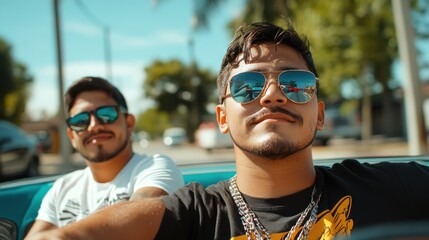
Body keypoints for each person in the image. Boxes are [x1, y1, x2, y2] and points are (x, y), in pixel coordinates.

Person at [26, 22, 429, 240]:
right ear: (222, 117)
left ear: (319, 113)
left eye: (296, 84)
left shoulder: (390, 187)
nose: (272, 94)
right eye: (248, 87)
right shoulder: (194, 214)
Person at [25, 77, 184, 237]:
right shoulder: (62, 188)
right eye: (80, 121)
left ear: (129, 124)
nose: (94, 125)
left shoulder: (154, 167)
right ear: (72, 136)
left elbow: (142, 213)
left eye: (106, 114)